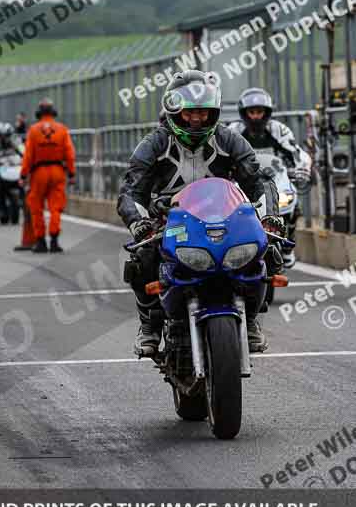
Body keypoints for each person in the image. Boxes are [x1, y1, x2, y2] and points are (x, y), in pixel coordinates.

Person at [117, 70, 283, 357]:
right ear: (173, 111)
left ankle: (252, 320)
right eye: (189, 113)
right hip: (171, 220)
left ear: (213, 112)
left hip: (225, 217)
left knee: (267, 250)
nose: (196, 119)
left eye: (203, 113)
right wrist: (140, 223)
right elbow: (131, 192)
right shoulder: (154, 144)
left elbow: (259, 181)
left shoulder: (229, 140)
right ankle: (150, 325)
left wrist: (270, 217)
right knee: (142, 258)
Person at [228, 88, 311, 267]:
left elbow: (297, 153)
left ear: (267, 113)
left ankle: (287, 247)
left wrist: (301, 169)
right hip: (243, 182)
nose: (256, 117)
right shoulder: (234, 131)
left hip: (275, 180)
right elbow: (223, 156)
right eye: (252, 112)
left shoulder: (278, 130)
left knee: (293, 205)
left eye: (260, 112)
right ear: (244, 113)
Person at [19, 99, 76, 253]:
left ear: (39, 113)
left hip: (39, 173)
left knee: (36, 207)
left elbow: (28, 155)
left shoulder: (34, 130)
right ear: (53, 112)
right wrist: (71, 173)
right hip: (57, 171)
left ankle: (40, 242)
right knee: (55, 207)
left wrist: (23, 175)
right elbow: (69, 153)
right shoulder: (62, 129)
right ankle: (54, 241)